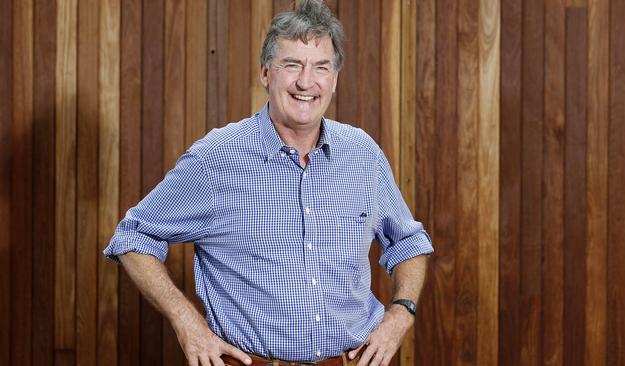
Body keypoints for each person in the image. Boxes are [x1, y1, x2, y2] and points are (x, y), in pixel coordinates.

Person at [104, 1, 433, 365]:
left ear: (335, 80)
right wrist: (187, 323)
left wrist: (401, 313)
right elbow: (133, 237)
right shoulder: (215, 159)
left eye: (320, 67)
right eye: (291, 65)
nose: (306, 82)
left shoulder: (363, 155)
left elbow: (408, 241)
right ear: (265, 73)